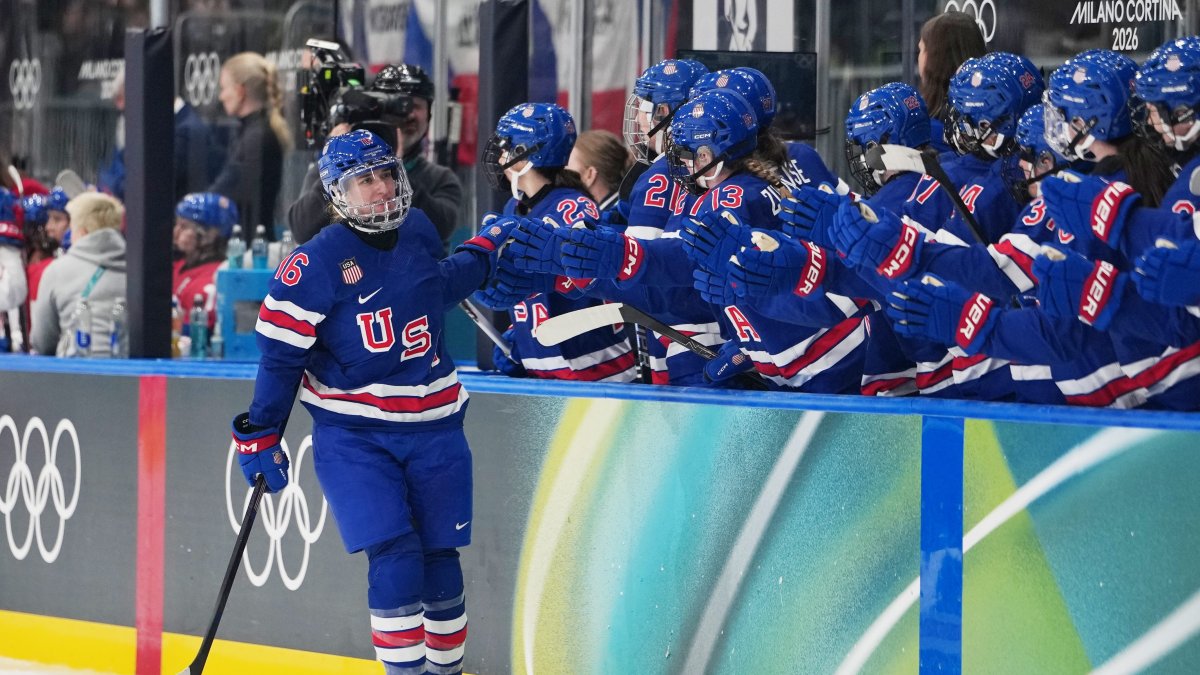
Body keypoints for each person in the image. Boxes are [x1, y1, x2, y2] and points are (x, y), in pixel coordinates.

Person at [232, 129, 514, 674]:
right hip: (356, 436)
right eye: (366, 180)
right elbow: (282, 359)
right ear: (337, 194)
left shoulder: (419, 229)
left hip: (436, 427)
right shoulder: (313, 264)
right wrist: (261, 433)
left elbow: (433, 287)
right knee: (397, 559)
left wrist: (482, 255)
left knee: (441, 563)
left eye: (387, 174)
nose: (382, 187)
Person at [289, 64, 463, 251]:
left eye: (416, 106)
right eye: (396, 106)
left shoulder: (441, 179)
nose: (407, 114)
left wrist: (395, 168)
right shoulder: (339, 165)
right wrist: (336, 164)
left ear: (428, 115)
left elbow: (440, 231)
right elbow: (302, 230)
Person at [29, 192, 126, 357]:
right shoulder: (138, 271)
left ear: (82, 233)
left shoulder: (57, 271)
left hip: (74, 369)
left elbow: (42, 343)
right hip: (128, 370)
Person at [208, 52, 290, 241]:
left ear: (239, 91)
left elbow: (229, 190)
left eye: (224, 89)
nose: (221, 97)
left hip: (251, 246)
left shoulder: (257, 137)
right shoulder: (251, 133)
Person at [916, 11, 988, 155]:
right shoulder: (992, 117)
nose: (918, 58)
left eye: (921, 50)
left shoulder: (926, 132)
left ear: (935, 59)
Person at [173, 192, 237, 334]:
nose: (176, 231)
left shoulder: (213, 281)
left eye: (184, 226)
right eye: (177, 224)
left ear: (210, 234)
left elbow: (197, 335)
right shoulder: (178, 266)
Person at [567, 129, 632, 224]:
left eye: (567, 168)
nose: (562, 175)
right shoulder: (625, 208)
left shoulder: (608, 222)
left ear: (589, 175)